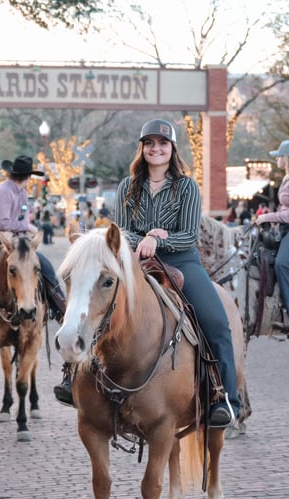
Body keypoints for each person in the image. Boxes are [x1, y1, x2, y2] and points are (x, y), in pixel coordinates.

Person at [53, 119, 241, 428]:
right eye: (150, 143)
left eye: (163, 144)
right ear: (142, 149)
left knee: (217, 323)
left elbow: (189, 235)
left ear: (172, 149)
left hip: (181, 261)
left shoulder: (187, 186)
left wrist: (160, 238)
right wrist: (143, 241)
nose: (156, 149)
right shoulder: (128, 186)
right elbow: (121, 230)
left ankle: (225, 399)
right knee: (92, 299)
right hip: (134, 260)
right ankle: (71, 376)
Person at [0, 155, 66, 346]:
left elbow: (22, 221)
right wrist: (25, 230)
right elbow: (2, 224)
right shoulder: (3, 192)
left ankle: (60, 309)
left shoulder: (22, 193)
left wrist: (34, 230)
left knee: (45, 266)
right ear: (26, 176)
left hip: (16, 241)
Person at [254, 139, 289, 338]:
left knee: (283, 263)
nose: (276, 158)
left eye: (278, 155)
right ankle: (278, 311)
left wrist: (267, 217)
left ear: (287, 158)